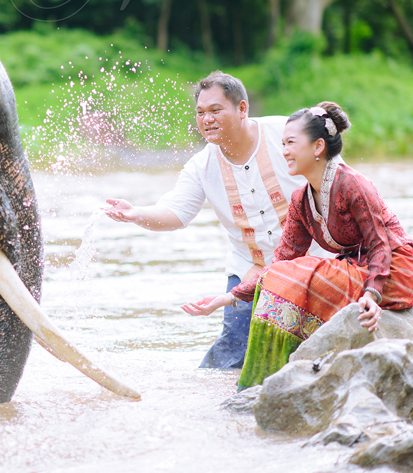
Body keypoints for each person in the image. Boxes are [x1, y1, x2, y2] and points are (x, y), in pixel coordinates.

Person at [181, 102, 413, 389]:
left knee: (304, 271)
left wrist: (371, 294)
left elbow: (380, 245)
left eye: (291, 143)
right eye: (282, 144)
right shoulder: (301, 200)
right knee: (288, 274)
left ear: (318, 147)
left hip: (393, 272)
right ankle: (263, 382)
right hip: (357, 270)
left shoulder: (353, 184)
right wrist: (229, 298)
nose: (284, 152)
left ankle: (273, 377)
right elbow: (280, 264)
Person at [104, 71, 330, 369]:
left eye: (215, 110)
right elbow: (175, 212)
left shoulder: (284, 134)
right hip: (249, 269)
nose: (206, 119)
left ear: (242, 109)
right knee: (230, 358)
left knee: (316, 352)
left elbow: (334, 178)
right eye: (200, 112)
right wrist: (137, 214)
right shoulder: (202, 165)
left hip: (315, 263)